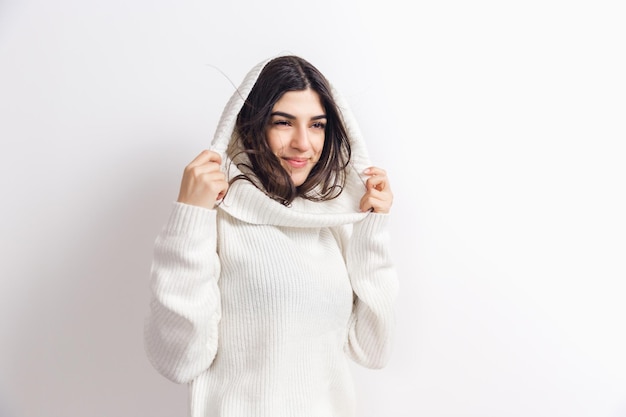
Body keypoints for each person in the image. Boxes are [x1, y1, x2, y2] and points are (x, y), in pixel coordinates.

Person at [144, 54, 399, 417]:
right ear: (252, 125)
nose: (303, 143)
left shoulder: (333, 219)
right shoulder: (217, 216)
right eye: (283, 122)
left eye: (317, 125)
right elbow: (178, 361)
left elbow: (373, 350)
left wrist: (372, 229)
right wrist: (190, 214)